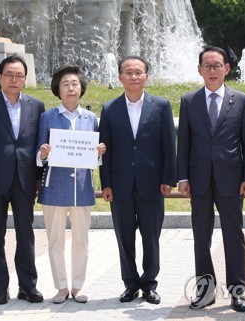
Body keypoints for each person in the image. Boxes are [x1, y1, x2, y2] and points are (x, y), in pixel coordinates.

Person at [176, 46, 245, 312]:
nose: (212, 71)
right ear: (199, 70)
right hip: (198, 179)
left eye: (217, 65)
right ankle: (206, 290)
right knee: (201, 236)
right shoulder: (188, 101)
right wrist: (183, 177)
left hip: (231, 178)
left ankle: (238, 291)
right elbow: (184, 143)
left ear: (227, 69)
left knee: (234, 235)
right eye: (207, 66)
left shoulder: (242, 100)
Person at [99, 56, 176, 305]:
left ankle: (149, 284)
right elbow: (105, 149)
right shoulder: (109, 108)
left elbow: (168, 145)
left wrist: (168, 179)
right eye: (128, 73)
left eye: (138, 72)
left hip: (152, 183)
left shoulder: (161, 105)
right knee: (124, 237)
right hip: (120, 184)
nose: (134, 77)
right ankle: (130, 284)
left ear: (146, 76)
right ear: (120, 77)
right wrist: (106, 183)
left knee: (151, 236)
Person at [0, 55, 45, 305]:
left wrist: (38, 178)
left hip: (25, 179)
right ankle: (0, 288)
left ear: (25, 79)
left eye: (19, 76)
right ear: (0, 77)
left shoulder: (36, 106)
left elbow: (39, 145)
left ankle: (27, 286)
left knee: (26, 234)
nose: (14, 80)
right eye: (9, 75)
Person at [36, 65, 106, 304]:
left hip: (82, 189)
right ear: (58, 89)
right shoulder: (47, 117)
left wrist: (99, 152)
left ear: (81, 89)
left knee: (81, 242)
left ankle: (77, 286)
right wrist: (43, 153)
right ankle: (61, 287)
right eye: (65, 84)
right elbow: (38, 155)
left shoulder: (90, 119)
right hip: (54, 187)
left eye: (75, 84)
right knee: (55, 241)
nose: (71, 88)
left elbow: (94, 158)